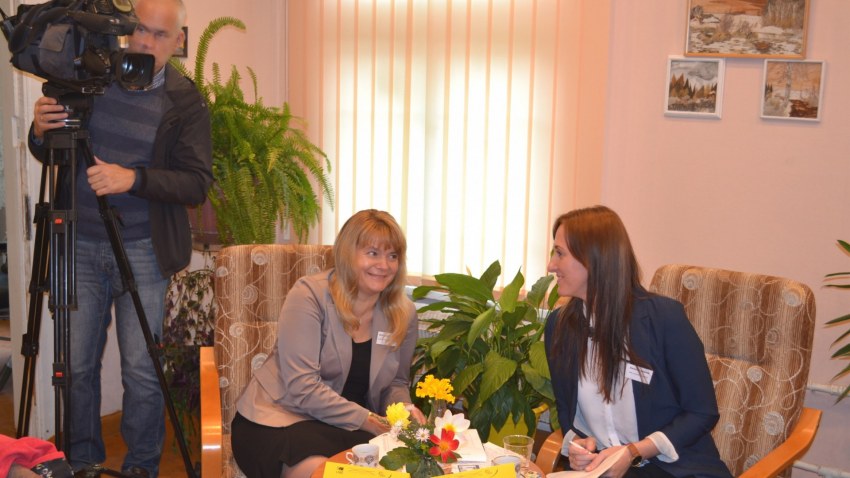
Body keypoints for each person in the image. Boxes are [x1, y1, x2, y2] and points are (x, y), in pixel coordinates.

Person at [28, 0, 213, 476]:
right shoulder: (90, 75)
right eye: (139, 30)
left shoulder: (185, 101)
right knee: (77, 367)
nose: (145, 42)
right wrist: (40, 130)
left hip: (144, 250)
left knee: (142, 372)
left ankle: (141, 468)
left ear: (178, 40)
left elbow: (195, 183)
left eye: (159, 34)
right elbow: (52, 150)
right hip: (79, 244)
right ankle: (83, 463)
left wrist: (133, 179)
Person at [231, 209, 425, 478]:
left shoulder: (403, 313)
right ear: (347, 254)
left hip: (347, 426)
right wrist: (369, 420)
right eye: (372, 253)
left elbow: (396, 383)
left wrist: (403, 409)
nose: (384, 265)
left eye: (393, 256)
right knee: (330, 473)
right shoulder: (309, 295)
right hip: (280, 419)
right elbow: (302, 387)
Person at [544, 206, 732, 478]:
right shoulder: (559, 327)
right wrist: (577, 445)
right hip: (603, 470)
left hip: (673, 469)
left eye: (560, 253)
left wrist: (634, 451)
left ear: (594, 258)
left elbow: (702, 412)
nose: (551, 265)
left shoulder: (664, 319)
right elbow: (567, 411)